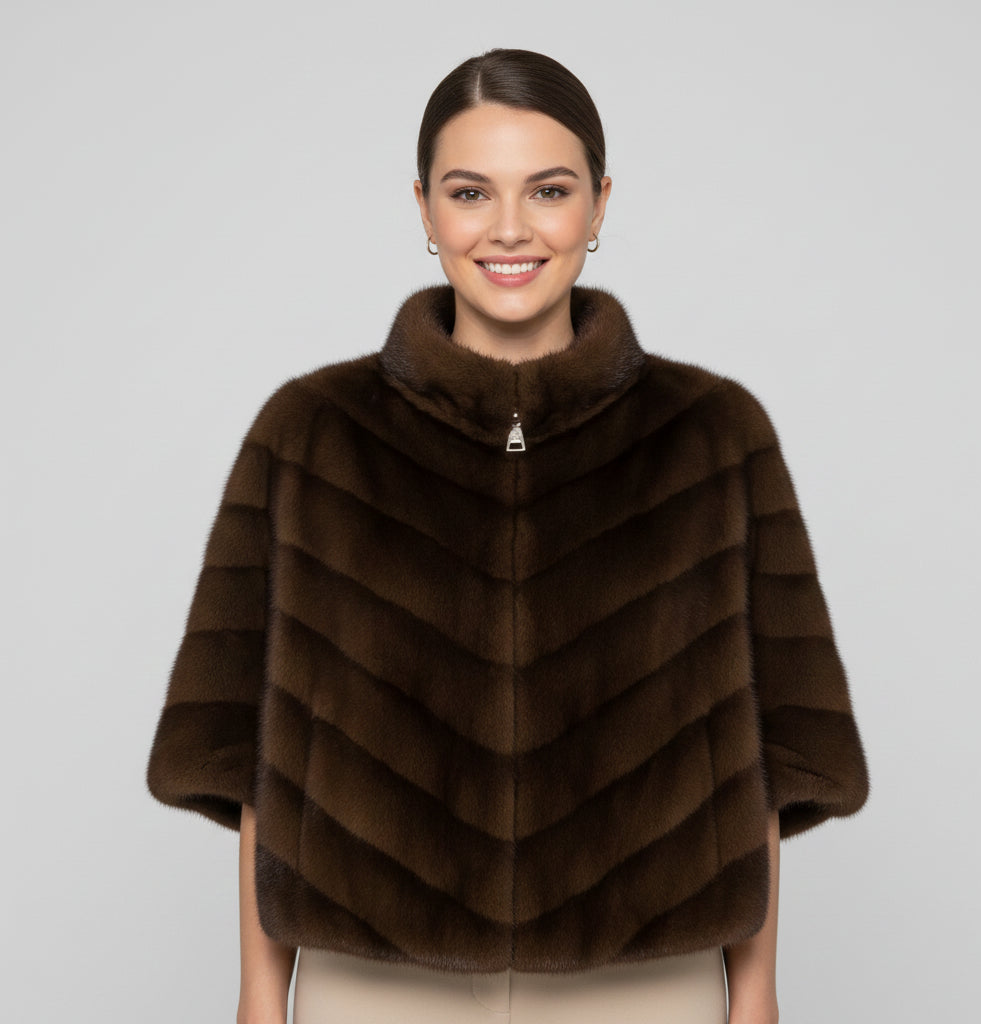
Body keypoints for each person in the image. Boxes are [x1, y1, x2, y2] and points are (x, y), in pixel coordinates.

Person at [146, 48, 869, 1024]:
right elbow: (250, 758)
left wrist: (757, 999)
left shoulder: (711, 437)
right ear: (424, 209)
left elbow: (770, 759)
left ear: (600, 205)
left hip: (644, 992)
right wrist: (259, 1002)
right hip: (377, 994)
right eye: (470, 192)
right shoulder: (312, 436)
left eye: (550, 190)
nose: (510, 228)